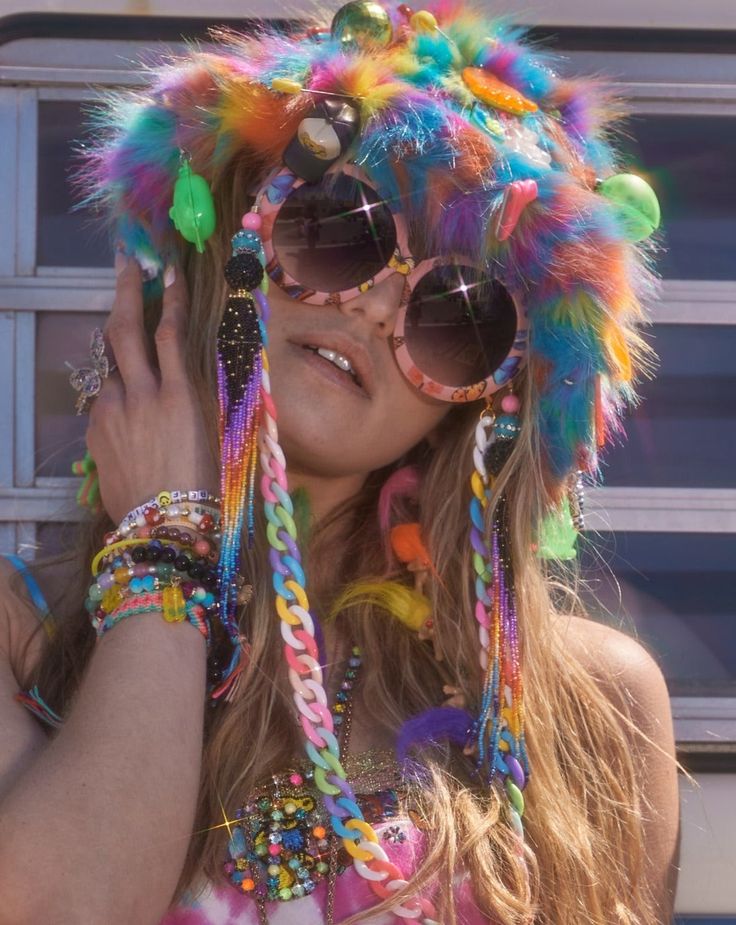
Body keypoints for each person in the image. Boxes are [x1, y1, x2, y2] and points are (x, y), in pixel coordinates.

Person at [0, 3, 680, 923]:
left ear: (483, 401)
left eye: (456, 318)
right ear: (229, 245)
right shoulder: (21, 635)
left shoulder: (586, 705)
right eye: (340, 232)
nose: (374, 310)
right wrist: (166, 543)